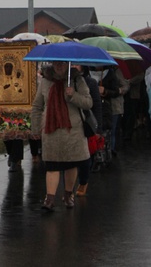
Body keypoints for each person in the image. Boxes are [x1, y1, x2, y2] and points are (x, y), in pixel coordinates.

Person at [31, 61, 92, 211]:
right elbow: (37, 106)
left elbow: (88, 102)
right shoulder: (45, 81)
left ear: (68, 64)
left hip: (73, 131)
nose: (59, 66)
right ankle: (49, 199)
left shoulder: (77, 80)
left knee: (71, 163)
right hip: (51, 130)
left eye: (63, 63)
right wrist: (35, 128)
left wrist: (73, 95)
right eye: (56, 63)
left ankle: (68, 195)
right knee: (52, 165)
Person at [76, 66, 102, 197]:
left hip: (86, 123)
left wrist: (97, 127)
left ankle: (83, 180)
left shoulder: (90, 82)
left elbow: (96, 104)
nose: (74, 67)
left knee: (86, 153)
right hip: (71, 125)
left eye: (77, 65)